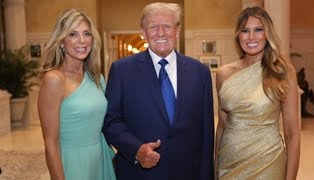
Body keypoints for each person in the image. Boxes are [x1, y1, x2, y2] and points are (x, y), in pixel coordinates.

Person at [102, 2, 214, 180]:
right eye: (153, 27)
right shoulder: (122, 70)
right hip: (140, 174)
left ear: (177, 31)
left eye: (167, 26)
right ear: (143, 32)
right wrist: (136, 149)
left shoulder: (200, 72)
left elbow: (207, 134)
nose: (161, 33)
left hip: (188, 173)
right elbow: (110, 121)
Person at [215, 7, 300, 179]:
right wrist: (215, 166)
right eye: (245, 31)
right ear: (238, 36)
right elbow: (222, 126)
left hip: (268, 162)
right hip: (229, 163)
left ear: (267, 34)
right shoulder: (223, 74)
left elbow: (292, 134)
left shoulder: (283, 72)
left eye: (258, 30)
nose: (251, 37)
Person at [38, 9, 116, 180]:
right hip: (72, 163)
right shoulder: (54, 79)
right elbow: (50, 143)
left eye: (86, 34)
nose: (82, 40)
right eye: (73, 34)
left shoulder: (97, 77)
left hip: (100, 158)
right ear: (61, 42)